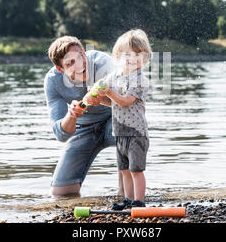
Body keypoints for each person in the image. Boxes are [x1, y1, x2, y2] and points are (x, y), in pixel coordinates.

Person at [44, 36, 122, 197]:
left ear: (84, 53)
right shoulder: (53, 81)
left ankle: (126, 193)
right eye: (70, 63)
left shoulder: (104, 63)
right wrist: (72, 116)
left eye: (79, 57)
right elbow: (61, 134)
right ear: (60, 69)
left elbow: (131, 104)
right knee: (61, 193)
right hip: (83, 128)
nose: (79, 65)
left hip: (114, 119)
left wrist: (105, 98)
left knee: (127, 128)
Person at [97, 29, 151, 210]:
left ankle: (139, 201)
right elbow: (114, 103)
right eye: (127, 54)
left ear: (144, 59)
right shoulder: (116, 77)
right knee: (125, 170)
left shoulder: (139, 79)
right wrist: (98, 97)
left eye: (138, 55)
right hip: (120, 132)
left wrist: (109, 92)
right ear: (118, 56)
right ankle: (128, 200)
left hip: (136, 133)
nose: (132, 58)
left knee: (136, 170)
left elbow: (126, 101)